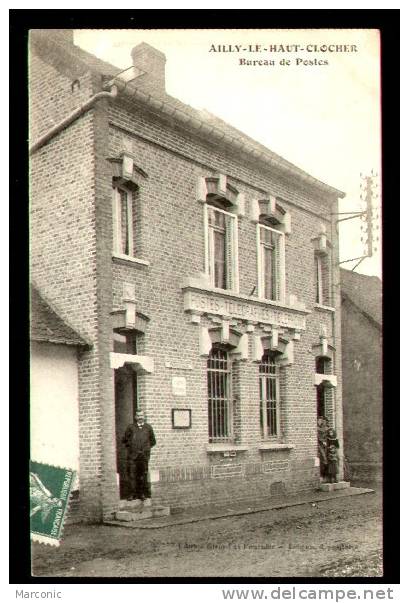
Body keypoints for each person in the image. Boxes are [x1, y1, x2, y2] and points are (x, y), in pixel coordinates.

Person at [122, 411, 156, 505]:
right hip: (133, 456)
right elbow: (124, 440)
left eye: (142, 415)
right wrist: (132, 447)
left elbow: (153, 441)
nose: (140, 417)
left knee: (143, 475)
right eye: (138, 415)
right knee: (132, 474)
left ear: (144, 417)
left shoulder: (148, 427)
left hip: (144, 456)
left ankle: (142, 494)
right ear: (135, 417)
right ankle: (132, 494)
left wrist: (145, 449)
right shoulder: (131, 427)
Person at [317, 416, 329, 480]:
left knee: (326, 459)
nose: (321, 422)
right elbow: (318, 437)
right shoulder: (317, 428)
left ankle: (325, 475)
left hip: (325, 445)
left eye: (322, 421)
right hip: (319, 445)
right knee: (323, 459)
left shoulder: (325, 428)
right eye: (319, 420)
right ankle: (322, 475)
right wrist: (323, 441)